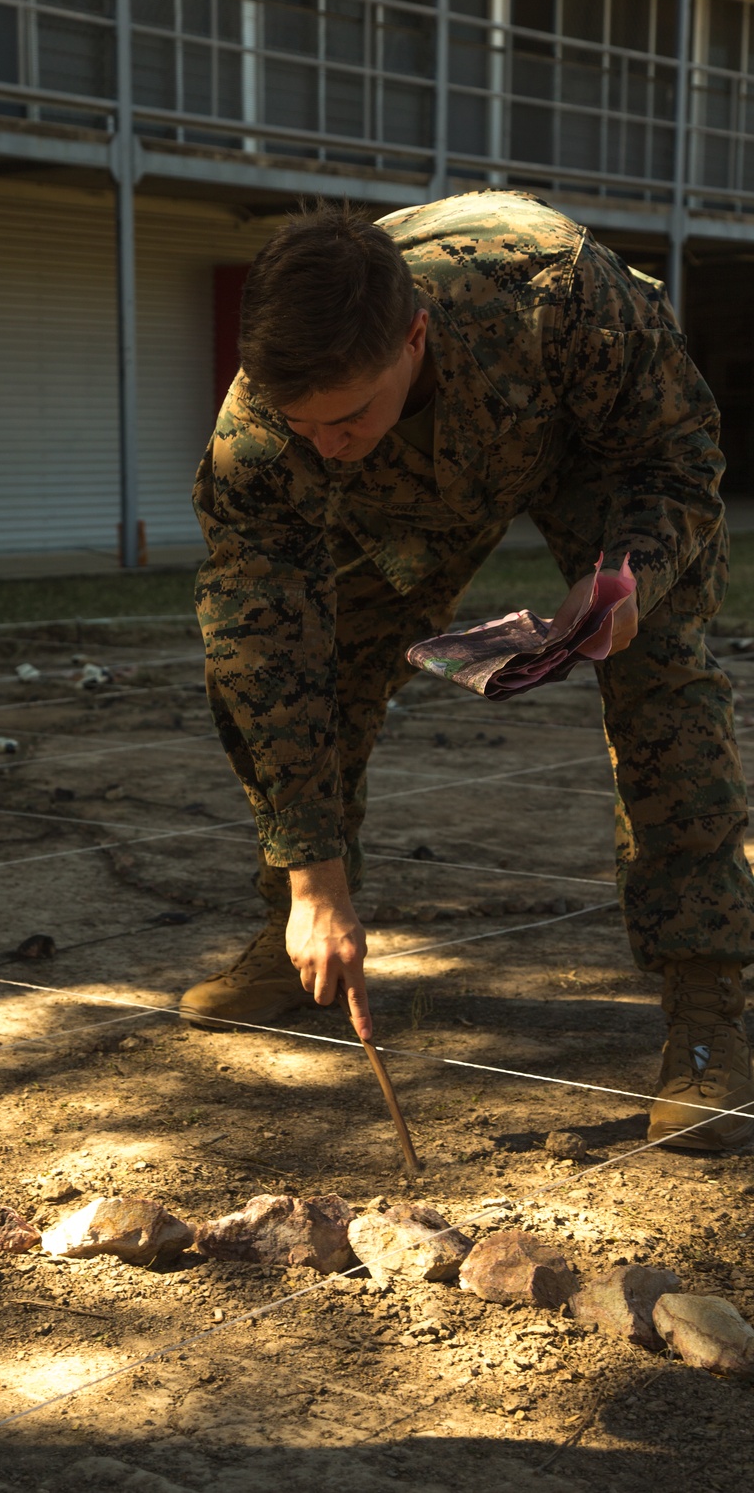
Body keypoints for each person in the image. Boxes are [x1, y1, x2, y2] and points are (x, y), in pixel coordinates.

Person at [183, 189, 754, 1152]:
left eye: (346, 415)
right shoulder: (271, 433)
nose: (322, 441)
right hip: (405, 493)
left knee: (660, 676)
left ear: (412, 338)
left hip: (588, 447)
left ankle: (708, 1012)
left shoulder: (563, 295)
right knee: (320, 667)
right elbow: (260, 650)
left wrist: (624, 577)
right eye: (303, 423)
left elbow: (679, 458)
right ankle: (299, 943)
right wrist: (314, 883)